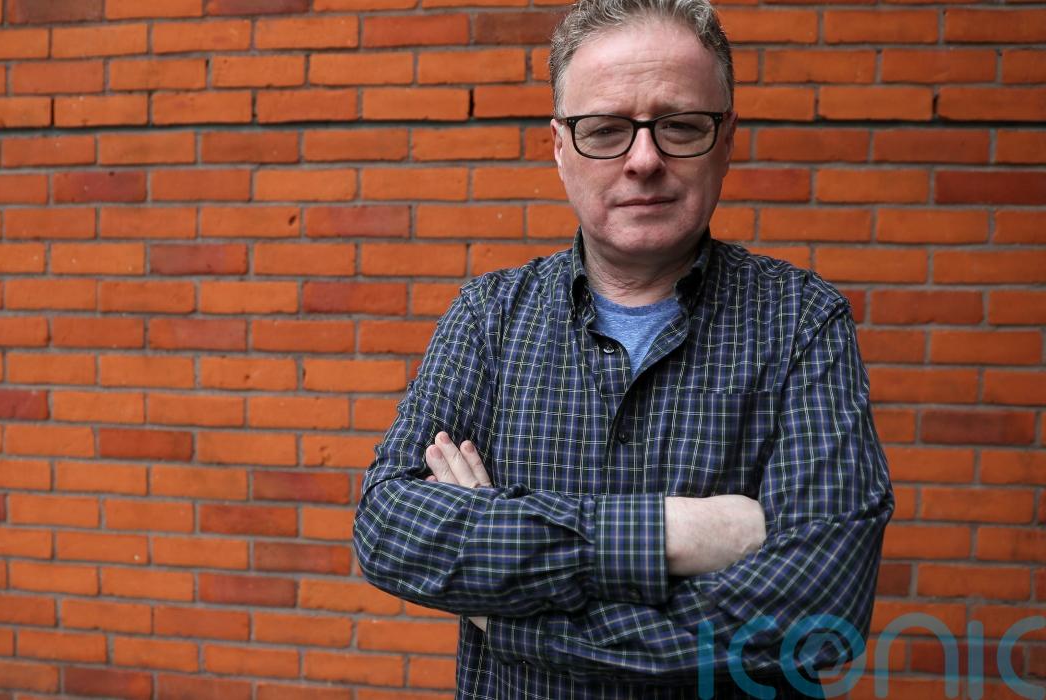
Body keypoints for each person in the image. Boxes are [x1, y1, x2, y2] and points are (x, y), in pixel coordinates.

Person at [354, 0, 894, 696]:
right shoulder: (489, 318)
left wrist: (516, 619)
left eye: (680, 126)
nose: (644, 160)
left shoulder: (801, 322)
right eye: (606, 130)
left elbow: (818, 607)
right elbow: (389, 530)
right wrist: (672, 532)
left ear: (727, 139)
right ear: (559, 146)